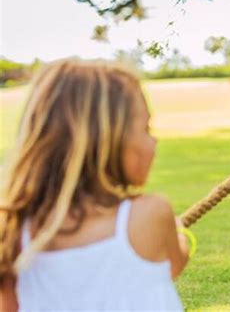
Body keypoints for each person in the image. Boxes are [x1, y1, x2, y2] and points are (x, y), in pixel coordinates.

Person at [0, 59, 190, 311]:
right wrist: (179, 235)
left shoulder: (13, 233)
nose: (153, 140)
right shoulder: (150, 214)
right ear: (110, 141)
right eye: (146, 128)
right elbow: (175, 264)